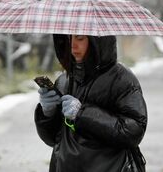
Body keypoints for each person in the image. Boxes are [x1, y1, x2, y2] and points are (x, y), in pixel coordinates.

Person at [34, 34, 148, 172]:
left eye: (80, 38)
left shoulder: (122, 79)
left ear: (98, 42)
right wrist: (47, 114)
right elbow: (53, 139)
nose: (72, 45)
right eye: (68, 39)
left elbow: (133, 132)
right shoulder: (64, 80)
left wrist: (82, 113)